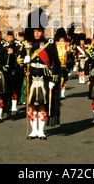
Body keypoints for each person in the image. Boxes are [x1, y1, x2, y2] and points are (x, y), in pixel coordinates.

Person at [22, 8, 61, 140]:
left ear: (43, 31)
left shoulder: (49, 44)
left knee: (43, 105)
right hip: (31, 77)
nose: (37, 33)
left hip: (44, 77)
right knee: (32, 105)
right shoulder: (28, 44)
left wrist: (53, 80)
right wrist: (24, 60)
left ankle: (41, 130)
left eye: (39, 31)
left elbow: (56, 63)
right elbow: (19, 59)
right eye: (35, 31)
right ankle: (33, 130)